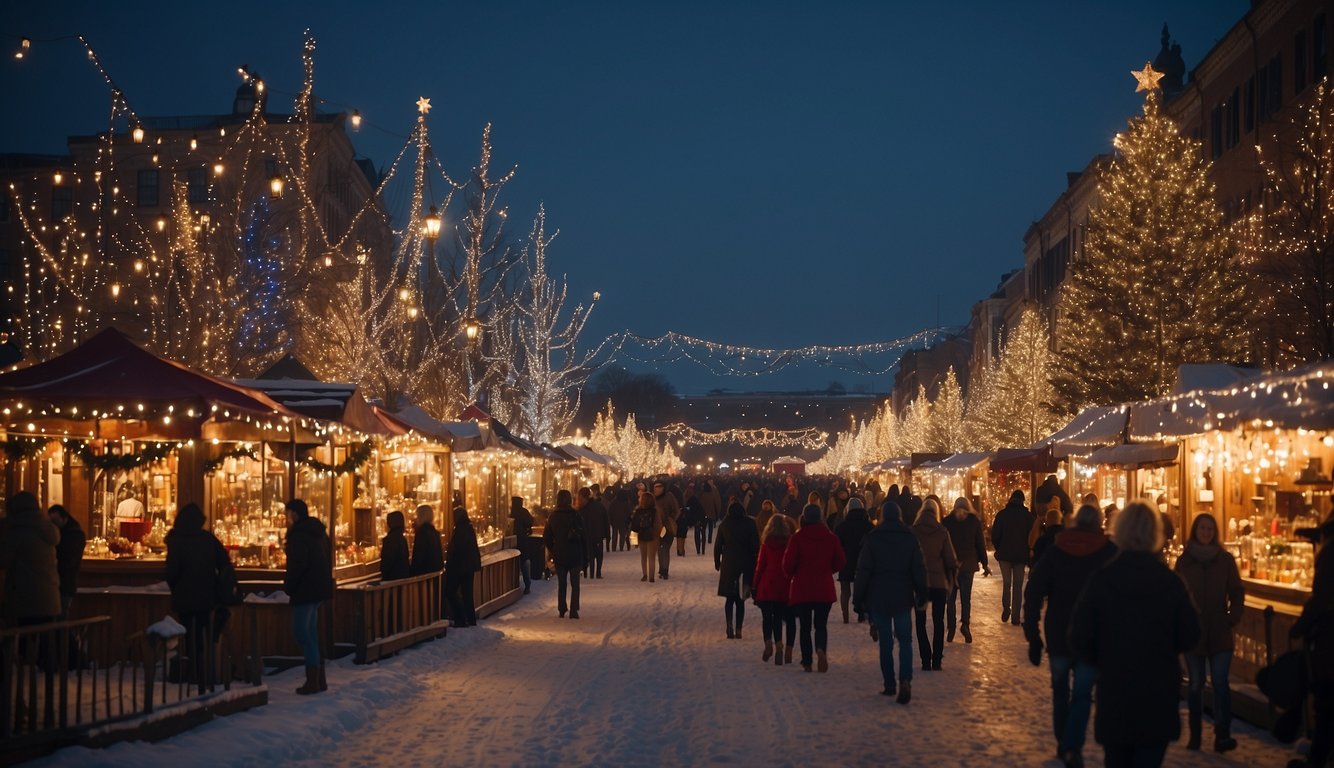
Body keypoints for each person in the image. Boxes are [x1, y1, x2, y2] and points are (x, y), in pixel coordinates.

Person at [1070, 500, 1200, 768]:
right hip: (1158, 693)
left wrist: (1103, 657)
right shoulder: (1170, 583)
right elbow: (1191, 634)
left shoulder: (1103, 580)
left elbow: (1079, 637)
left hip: (1116, 691)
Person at [1023, 504, 1118, 768]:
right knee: (1082, 694)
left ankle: (1064, 741)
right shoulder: (1108, 552)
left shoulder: (1057, 551)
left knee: (1060, 691)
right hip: (1092, 636)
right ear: (1099, 523)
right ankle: (1071, 746)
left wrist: (1032, 633)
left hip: (1059, 633)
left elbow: (1034, 591)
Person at [1174, 513, 1244, 753]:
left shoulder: (1225, 560)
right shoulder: (1185, 562)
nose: (1206, 532)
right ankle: (1195, 733)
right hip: (1194, 632)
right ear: (1196, 530)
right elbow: (1177, 595)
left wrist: (1231, 617)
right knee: (1195, 684)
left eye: (1210, 529)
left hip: (1219, 631)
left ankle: (1222, 733)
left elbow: (1236, 591)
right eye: (1202, 528)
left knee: (1221, 683)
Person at [854, 500, 928, 705]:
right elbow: (918, 568)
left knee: (885, 643)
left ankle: (889, 683)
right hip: (903, 596)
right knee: (905, 641)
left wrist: (858, 597)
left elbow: (864, 570)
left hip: (879, 597)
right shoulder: (909, 538)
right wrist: (922, 591)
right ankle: (905, 680)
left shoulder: (873, 538)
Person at [166, 502, 235, 691]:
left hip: (184, 596)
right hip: (206, 595)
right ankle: (205, 673)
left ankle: (193, 674)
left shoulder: (176, 540)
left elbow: (171, 571)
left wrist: (176, 586)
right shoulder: (207, 539)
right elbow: (224, 562)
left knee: (188, 635)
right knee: (204, 635)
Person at [1288, 510, 1333, 768]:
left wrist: (1300, 627)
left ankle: (1317, 758)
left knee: (1326, 704)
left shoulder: (1329, 553)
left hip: (1329, 642)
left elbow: (1321, 597)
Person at [783, 504, 846, 673]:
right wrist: (828, 570)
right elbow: (840, 561)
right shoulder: (831, 537)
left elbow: (787, 564)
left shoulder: (797, 538)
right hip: (824, 587)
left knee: (805, 626)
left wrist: (795, 571)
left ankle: (807, 660)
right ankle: (820, 649)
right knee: (821, 625)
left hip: (802, 587)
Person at [284, 498, 333, 695]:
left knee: (302, 634)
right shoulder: (318, 533)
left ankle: (314, 680)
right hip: (319, 588)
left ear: (294, 514)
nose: (286, 519)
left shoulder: (299, 536)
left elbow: (298, 564)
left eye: (287, 514)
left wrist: (289, 585)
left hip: (305, 589)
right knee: (311, 633)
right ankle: (318, 679)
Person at [0, 491, 61, 627]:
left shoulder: (17, 532)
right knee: (44, 642)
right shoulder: (46, 529)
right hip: (49, 598)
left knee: (23, 641)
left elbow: (3, 559)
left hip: (25, 598)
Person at [911, 497, 958, 671]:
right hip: (939, 583)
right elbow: (949, 559)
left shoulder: (913, 532)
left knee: (920, 621)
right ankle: (937, 660)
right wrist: (952, 576)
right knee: (939, 621)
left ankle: (925, 659)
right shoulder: (942, 531)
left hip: (920, 583)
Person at [942, 497, 988, 643]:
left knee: (950, 599)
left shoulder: (947, 522)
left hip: (951, 566)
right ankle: (965, 624)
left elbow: (943, 544)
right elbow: (980, 544)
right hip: (968, 564)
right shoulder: (974, 522)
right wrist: (984, 563)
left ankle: (951, 627)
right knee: (965, 598)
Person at [754, 513, 796, 664]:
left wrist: (755, 584)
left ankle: (768, 644)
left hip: (767, 583)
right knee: (778, 616)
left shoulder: (766, 544)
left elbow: (760, 567)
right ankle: (779, 646)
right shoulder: (789, 543)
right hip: (784, 583)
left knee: (767, 618)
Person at [715, 501, 760, 639]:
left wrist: (717, 562)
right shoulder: (750, 523)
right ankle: (739, 629)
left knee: (729, 598)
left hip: (729, 563)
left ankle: (729, 624)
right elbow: (755, 545)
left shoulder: (724, 524)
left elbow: (718, 546)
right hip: (745, 564)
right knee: (741, 599)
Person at [991, 489, 1034, 625]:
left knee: (1007, 583)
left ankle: (1006, 608)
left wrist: (999, 547)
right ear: (1022, 501)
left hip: (1004, 555)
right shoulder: (1028, 516)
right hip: (1021, 556)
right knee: (1018, 585)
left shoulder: (1002, 515)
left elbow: (995, 535)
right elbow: (1032, 536)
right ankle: (1015, 617)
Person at [544, 490, 586, 618]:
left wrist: (553, 548)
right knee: (575, 584)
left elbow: (547, 536)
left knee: (562, 583)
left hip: (560, 554)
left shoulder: (553, 516)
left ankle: (562, 608)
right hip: (574, 553)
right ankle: (574, 609)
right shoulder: (575, 515)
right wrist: (585, 555)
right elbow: (583, 536)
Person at [834, 498, 874, 624]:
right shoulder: (869, 526)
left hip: (846, 561)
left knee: (845, 590)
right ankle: (862, 614)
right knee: (864, 588)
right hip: (864, 563)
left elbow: (837, 546)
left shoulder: (842, 527)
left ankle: (845, 617)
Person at [445, 506, 482, 628]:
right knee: (467, 594)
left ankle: (460, 618)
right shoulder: (468, 527)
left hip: (460, 566)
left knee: (451, 590)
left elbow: (459, 549)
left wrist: (450, 556)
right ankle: (470, 619)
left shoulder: (461, 529)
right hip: (468, 566)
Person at [48, 504, 86, 618]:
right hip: (63, 582)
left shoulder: (73, 535)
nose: (53, 524)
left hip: (65, 582)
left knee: (61, 616)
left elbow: (69, 561)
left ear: (64, 518)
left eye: (55, 520)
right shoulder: (74, 533)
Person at [578, 487, 609, 579]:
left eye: (580, 498)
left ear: (584, 498)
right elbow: (606, 520)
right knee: (598, 554)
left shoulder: (582, 509)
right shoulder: (598, 506)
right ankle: (596, 573)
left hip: (588, 535)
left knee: (589, 554)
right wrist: (606, 534)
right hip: (597, 534)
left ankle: (590, 573)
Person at [652, 480, 680, 580]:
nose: (657, 489)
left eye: (659, 487)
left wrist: (670, 519)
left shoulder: (668, 497)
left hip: (666, 526)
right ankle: (663, 569)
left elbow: (676, 510)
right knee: (661, 548)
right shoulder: (654, 498)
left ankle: (664, 569)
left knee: (664, 547)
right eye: (655, 487)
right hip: (659, 527)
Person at [632, 491, 661, 582]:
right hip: (652, 536)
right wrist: (659, 535)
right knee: (651, 557)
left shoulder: (638, 511)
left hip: (641, 535)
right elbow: (658, 525)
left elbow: (634, 525)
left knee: (643, 556)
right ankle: (651, 576)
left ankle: (644, 574)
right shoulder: (655, 511)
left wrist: (634, 540)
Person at [409, 504, 444, 577]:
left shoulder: (422, 533)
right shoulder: (434, 532)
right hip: (434, 573)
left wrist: (413, 572)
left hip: (424, 574)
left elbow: (418, 556)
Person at [510, 497, 535, 593]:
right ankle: (527, 585)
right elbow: (530, 521)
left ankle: (515, 584)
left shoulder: (511, 512)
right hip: (522, 540)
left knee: (514, 564)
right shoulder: (523, 511)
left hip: (512, 541)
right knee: (524, 562)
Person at [380, 510, 409, 582]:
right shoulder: (402, 538)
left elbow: (386, 563)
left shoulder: (390, 540)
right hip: (402, 579)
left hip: (392, 580)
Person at [606, 486, 631, 553]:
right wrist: (628, 519)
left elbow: (610, 511)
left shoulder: (614, 501)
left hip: (614, 520)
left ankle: (613, 548)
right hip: (623, 521)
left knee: (614, 534)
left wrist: (610, 519)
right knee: (622, 534)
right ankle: (621, 548)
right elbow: (628, 511)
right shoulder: (626, 501)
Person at [701, 479, 723, 544]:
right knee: (710, 527)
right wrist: (718, 512)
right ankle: (709, 539)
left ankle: (704, 538)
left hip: (704, 512)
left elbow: (700, 502)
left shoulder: (703, 492)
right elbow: (717, 502)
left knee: (704, 527)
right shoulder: (714, 491)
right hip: (712, 512)